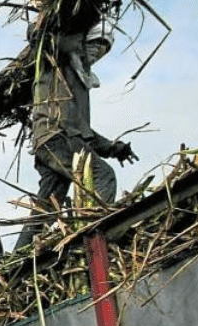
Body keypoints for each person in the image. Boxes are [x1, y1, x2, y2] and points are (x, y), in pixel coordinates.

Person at [15, 22, 138, 250]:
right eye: (95, 43)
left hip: (63, 140)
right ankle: (97, 233)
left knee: (49, 205)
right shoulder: (56, 63)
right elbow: (40, 38)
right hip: (55, 136)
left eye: (105, 47)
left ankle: (20, 254)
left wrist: (113, 148)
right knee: (103, 175)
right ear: (81, 44)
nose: (98, 50)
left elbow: (83, 131)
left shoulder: (82, 79)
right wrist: (43, 23)